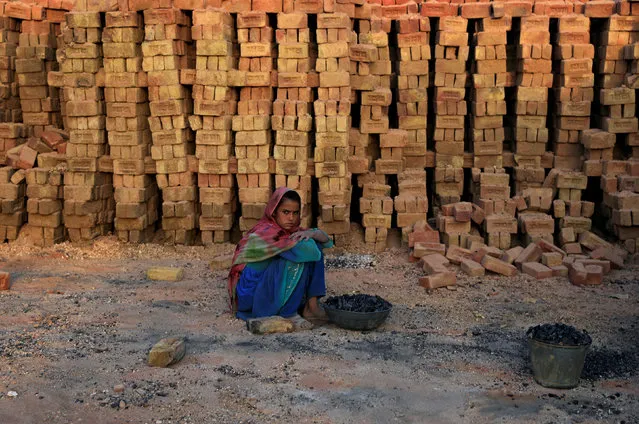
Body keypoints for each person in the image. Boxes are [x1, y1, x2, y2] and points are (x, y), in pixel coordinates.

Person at [227, 187, 333, 328]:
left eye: (295, 213)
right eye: (285, 212)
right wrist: (311, 236)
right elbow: (310, 252)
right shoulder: (266, 233)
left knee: (312, 245)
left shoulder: (288, 232)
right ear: (274, 212)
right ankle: (288, 313)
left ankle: (311, 306)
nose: (291, 218)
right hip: (251, 297)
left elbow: (326, 241)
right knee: (299, 256)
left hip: (267, 284)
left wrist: (312, 234)